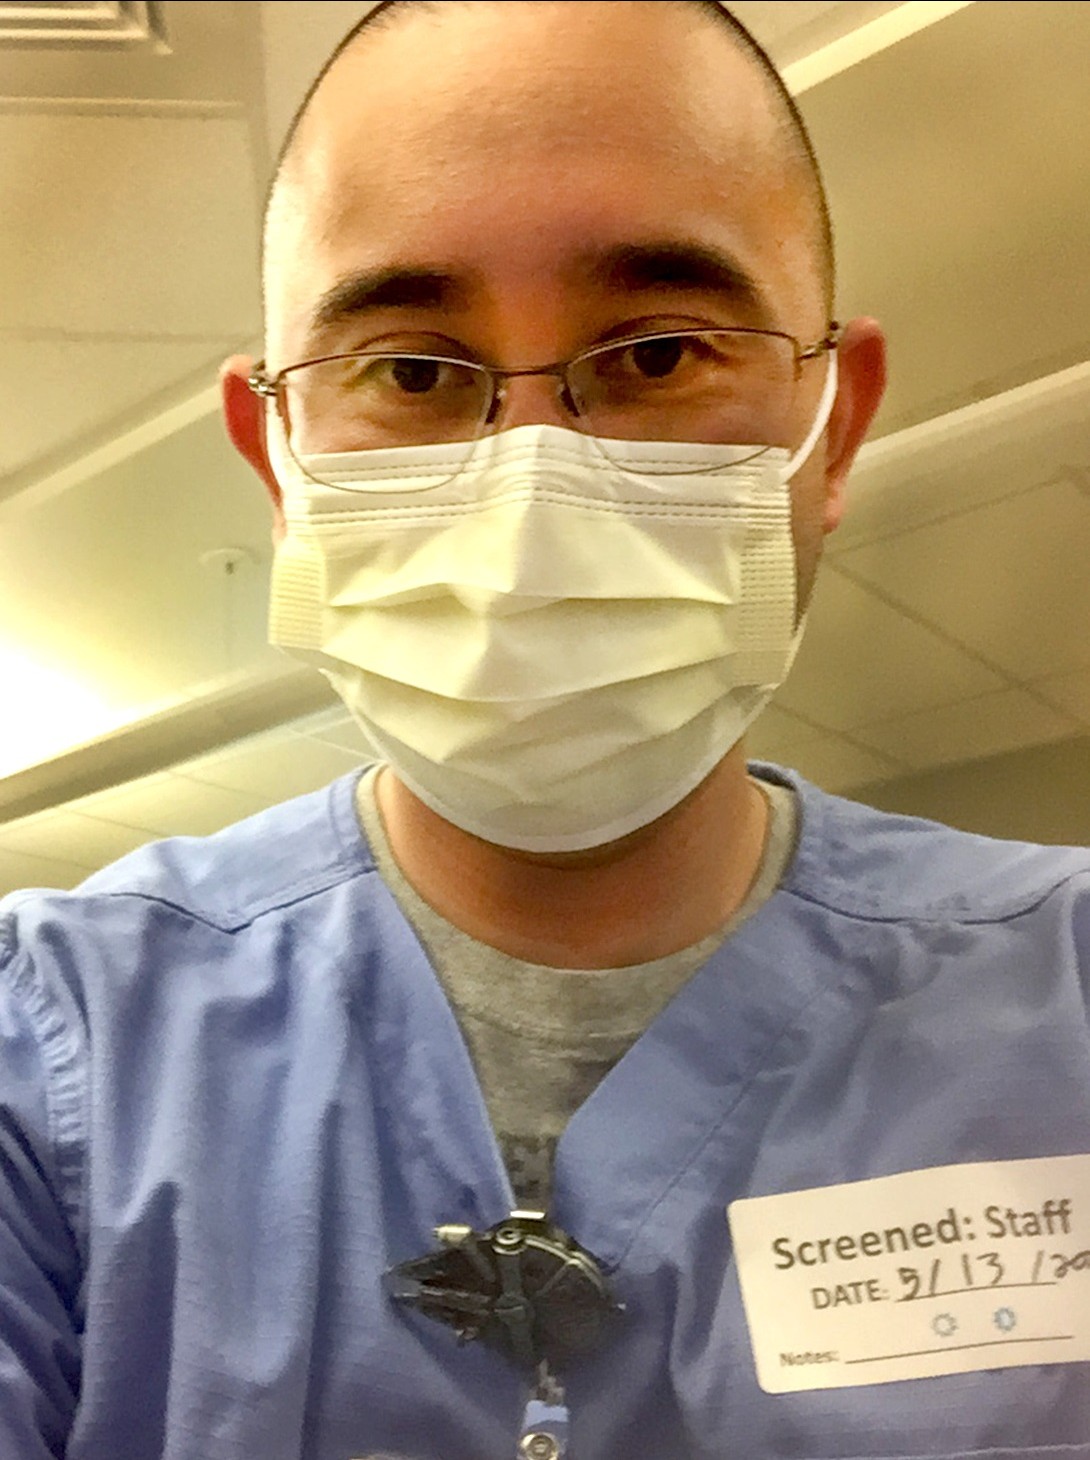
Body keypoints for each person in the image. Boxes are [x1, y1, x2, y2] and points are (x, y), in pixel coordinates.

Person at [2, 2, 1089, 1456]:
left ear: (828, 432)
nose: (528, 503)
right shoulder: (46, 1055)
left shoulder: (1064, 1006)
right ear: (279, 466)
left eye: (654, 354)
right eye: (412, 370)